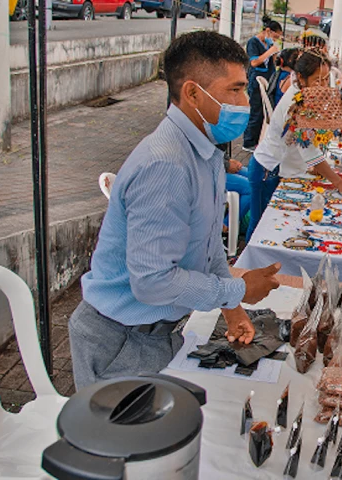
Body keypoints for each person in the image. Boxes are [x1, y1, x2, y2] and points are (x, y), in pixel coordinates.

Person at [70, 31, 281, 390]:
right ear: (193, 94)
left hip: (156, 334)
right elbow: (152, 282)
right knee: (137, 442)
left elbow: (209, 245)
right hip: (121, 342)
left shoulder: (206, 153)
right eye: (234, 90)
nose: (245, 102)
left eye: (244, 90)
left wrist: (233, 308)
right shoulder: (166, 165)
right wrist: (237, 290)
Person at [246, 49, 342, 240]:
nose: (323, 85)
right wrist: (338, 182)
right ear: (301, 77)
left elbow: (307, 142)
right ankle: (246, 265)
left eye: (326, 80)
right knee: (260, 226)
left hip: (282, 168)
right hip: (267, 169)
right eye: (318, 80)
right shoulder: (296, 102)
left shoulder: (305, 94)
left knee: (271, 225)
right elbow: (309, 150)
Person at [243, 19, 283, 152]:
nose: (275, 39)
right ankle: (248, 141)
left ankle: (257, 141)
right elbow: (254, 62)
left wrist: (274, 52)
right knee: (256, 110)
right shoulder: (253, 42)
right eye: (275, 35)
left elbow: (272, 62)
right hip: (256, 78)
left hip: (268, 78)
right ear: (268, 31)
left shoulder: (268, 43)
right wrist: (270, 51)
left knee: (263, 111)